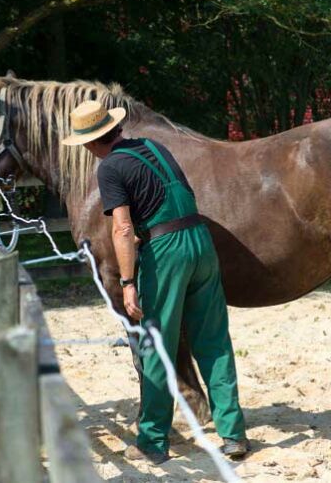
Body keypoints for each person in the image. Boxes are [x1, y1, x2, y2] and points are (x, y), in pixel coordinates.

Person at [63, 100, 249, 464]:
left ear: (88, 142)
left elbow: (122, 227)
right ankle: (234, 435)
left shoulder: (110, 168)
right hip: (201, 241)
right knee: (213, 341)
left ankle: (151, 439)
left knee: (156, 347)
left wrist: (129, 281)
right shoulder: (153, 147)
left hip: (166, 251)